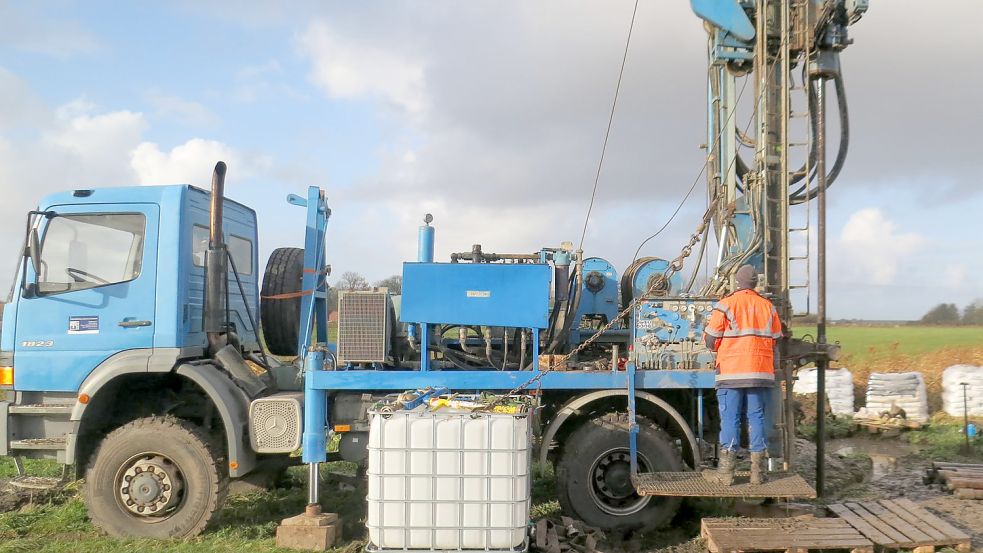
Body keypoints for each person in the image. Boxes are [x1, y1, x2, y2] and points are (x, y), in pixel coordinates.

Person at [702, 264, 783, 485]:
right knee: (756, 418)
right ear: (755, 283)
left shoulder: (726, 305)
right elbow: (776, 337)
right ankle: (758, 473)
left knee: (731, 418)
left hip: (731, 371)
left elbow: (710, 339)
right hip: (759, 372)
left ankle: (726, 474)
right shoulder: (768, 307)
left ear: (736, 282)